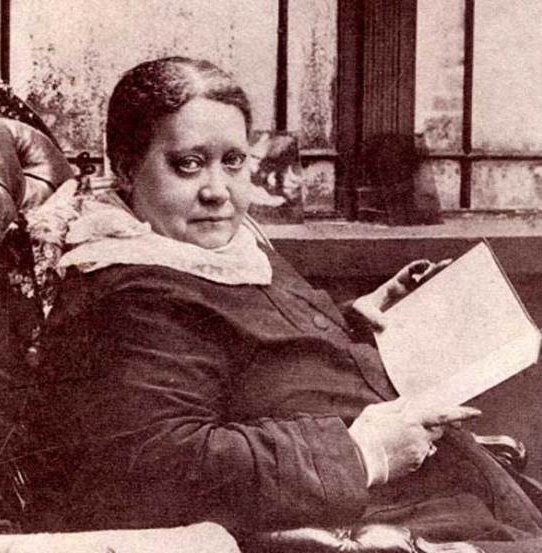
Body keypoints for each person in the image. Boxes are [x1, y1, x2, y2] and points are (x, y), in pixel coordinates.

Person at [36, 57, 542, 552]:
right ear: (126, 169)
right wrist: (363, 452)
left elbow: (250, 355)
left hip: (435, 494)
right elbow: (157, 465)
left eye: (233, 161)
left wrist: (357, 319)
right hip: (378, 524)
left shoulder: (221, 247)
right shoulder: (126, 295)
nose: (218, 192)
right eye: (188, 164)